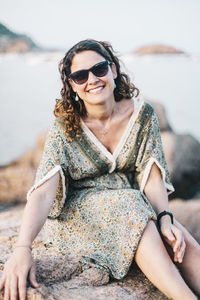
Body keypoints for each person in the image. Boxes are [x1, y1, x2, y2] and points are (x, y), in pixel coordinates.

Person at [0, 39, 200, 300]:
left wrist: (165, 218)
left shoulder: (143, 116)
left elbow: (151, 174)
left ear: (114, 69)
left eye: (99, 69)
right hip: (80, 214)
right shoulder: (65, 127)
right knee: (132, 207)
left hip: (134, 205)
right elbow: (43, 193)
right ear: (72, 85)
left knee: (179, 239)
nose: (92, 79)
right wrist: (22, 248)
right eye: (80, 76)